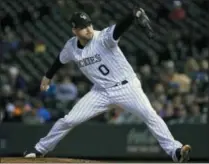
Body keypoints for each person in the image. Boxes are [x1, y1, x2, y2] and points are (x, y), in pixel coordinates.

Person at [24, 8, 191, 162]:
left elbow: (119, 28)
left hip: (127, 87)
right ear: (75, 31)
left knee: (150, 115)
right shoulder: (71, 46)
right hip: (100, 92)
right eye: (83, 27)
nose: (88, 29)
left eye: (89, 24)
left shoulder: (102, 37)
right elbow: (59, 61)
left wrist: (132, 15)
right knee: (69, 120)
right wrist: (47, 76)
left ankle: (175, 150)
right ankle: (40, 149)